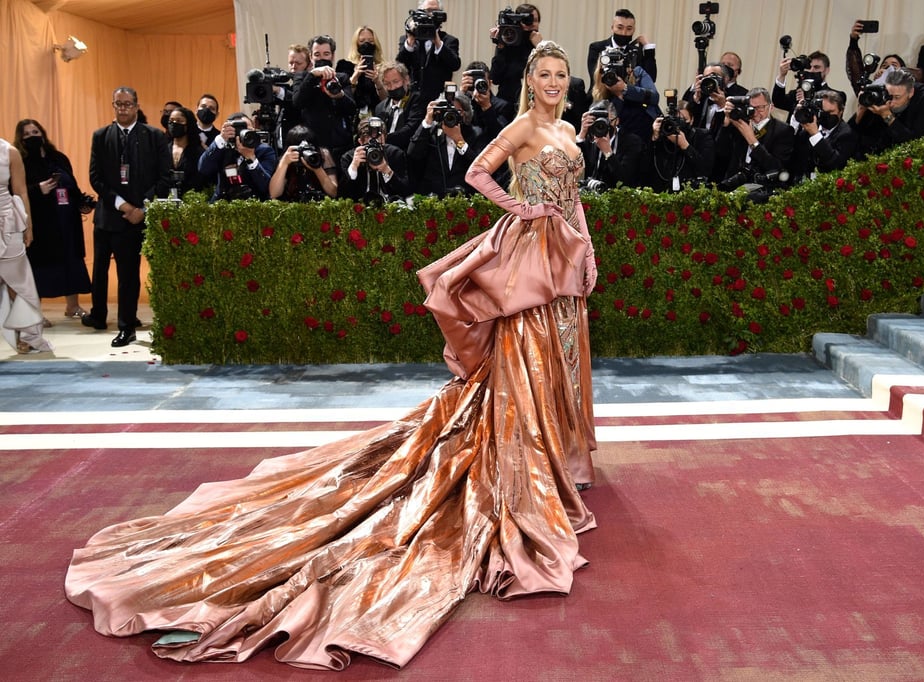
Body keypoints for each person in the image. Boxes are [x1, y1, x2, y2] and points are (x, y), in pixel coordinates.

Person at [65, 39, 596, 673]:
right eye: (544, 74)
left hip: (563, 260)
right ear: (529, 80)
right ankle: (529, 457)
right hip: (527, 261)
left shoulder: (567, 127)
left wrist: (586, 247)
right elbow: (477, 173)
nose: (554, 83)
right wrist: (521, 209)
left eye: (562, 75)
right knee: (527, 361)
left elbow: (576, 200)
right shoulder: (520, 127)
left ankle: (559, 455)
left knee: (562, 356)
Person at [83, 87, 172, 348]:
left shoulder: (154, 136)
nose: (123, 108)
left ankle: (126, 326)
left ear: (136, 106)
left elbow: (165, 178)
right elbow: (95, 178)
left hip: (137, 218)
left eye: (127, 104)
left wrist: (141, 208)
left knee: (128, 274)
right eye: (118, 104)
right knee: (99, 270)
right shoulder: (101, 136)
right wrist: (124, 206)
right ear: (113, 105)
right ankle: (98, 316)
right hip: (109, 216)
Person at [14, 119, 92, 322]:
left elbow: (71, 186)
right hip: (41, 221)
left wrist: (82, 202)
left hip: (67, 219)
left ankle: (72, 306)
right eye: (27, 134)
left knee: (71, 260)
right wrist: (38, 190)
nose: (33, 136)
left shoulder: (58, 158)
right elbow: (13, 193)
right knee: (40, 267)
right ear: (21, 139)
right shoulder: (20, 162)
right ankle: (35, 313)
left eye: (36, 131)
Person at [0, 137, 53, 354]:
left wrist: (28, 226)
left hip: (7, 224)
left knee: (18, 283)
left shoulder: (9, 152)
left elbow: (21, 192)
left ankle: (30, 336)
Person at [850, 68, 924, 158]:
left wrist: (887, 116)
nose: (891, 102)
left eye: (897, 97)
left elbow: (915, 142)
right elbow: (849, 136)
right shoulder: (881, 93)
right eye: (889, 96)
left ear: (911, 92)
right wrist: (861, 109)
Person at [719, 87, 794, 196]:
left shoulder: (783, 130)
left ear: (771, 107)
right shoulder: (740, 122)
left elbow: (776, 167)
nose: (755, 112)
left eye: (760, 108)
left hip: (763, 190)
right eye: (751, 108)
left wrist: (752, 140)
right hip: (733, 185)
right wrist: (727, 121)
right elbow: (721, 153)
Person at [293, 34, 359, 157]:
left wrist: (339, 95)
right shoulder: (302, 77)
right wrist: (312, 76)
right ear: (311, 57)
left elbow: (352, 109)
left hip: (340, 146)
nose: (322, 58)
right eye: (317, 55)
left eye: (326, 54)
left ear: (333, 56)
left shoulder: (341, 78)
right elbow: (297, 102)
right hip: (312, 146)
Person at [407, 90, 483, 196]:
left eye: (457, 111)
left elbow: (479, 167)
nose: (451, 115)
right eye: (447, 111)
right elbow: (413, 154)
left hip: (463, 198)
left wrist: (459, 141)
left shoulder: (475, 134)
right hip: (433, 199)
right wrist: (427, 121)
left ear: (466, 114)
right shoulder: (431, 132)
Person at [197, 113, 277, 202]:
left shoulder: (264, 150)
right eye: (239, 129)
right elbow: (203, 169)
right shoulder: (222, 148)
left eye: (248, 129)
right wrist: (221, 139)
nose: (244, 133)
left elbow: (265, 186)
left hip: (254, 204)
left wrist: (251, 158)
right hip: (223, 202)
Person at [396, 0, 461, 109]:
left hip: (438, 100)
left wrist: (438, 42)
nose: (431, 15)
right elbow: (399, 66)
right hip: (413, 100)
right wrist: (411, 38)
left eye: (435, 11)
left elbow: (455, 65)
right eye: (428, 11)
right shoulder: (406, 39)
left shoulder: (449, 40)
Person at [590, 45, 660, 141]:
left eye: (617, 65)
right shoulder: (602, 85)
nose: (613, 71)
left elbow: (654, 97)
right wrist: (617, 95)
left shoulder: (637, 74)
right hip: (618, 142)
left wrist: (626, 89)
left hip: (644, 134)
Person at [336, 116, 411, 202]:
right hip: (359, 209)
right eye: (369, 144)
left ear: (385, 139)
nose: (374, 148)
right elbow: (341, 197)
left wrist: (387, 170)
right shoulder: (349, 158)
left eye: (378, 144)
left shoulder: (395, 154)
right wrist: (353, 168)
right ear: (360, 142)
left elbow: (406, 192)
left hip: (389, 207)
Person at [645, 99, 714, 191]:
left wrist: (685, 146)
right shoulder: (664, 136)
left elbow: (705, 169)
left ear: (692, 119)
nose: (678, 125)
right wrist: (654, 137)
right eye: (675, 120)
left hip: (691, 192)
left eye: (683, 120)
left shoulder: (702, 136)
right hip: (663, 191)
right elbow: (645, 168)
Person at [576, 99, 644, 191]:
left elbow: (625, 181)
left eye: (606, 121)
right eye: (596, 122)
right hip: (591, 193)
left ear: (617, 121)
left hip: (618, 197)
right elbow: (573, 167)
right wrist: (581, 134)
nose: (602, 126)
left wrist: (608, 152)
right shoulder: (590, 138)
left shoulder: (632, 141)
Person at [789, 90, 857, 182]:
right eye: (823, 112)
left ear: (841, 111)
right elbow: (792, 154)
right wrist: (795, 122)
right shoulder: (808, 129)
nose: (826, 116)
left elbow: (835, 164)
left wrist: (815, 135)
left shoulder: (847, 134)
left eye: (831, 112)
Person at [586, 8, 657, 91]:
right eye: (620, 28)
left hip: (628, 101)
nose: (624, 33)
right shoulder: (597, 48)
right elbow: (595, 77)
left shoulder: (636, 52)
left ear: (634, 30)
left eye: (629, 29)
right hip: (599, 98)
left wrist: (648, 47)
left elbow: (650, 79)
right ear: (612, 28)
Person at [488, 2, 542, 103]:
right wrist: (501, 46)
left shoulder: (539, 46)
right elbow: (495, 78)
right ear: (518, 21)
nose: (532, 24)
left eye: (535, 20)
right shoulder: (508, 44)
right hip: (507, 103)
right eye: (527, 20)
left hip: (532, 101)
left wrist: (540, 46)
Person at [268, 125, 338, 201]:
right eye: (301, 149)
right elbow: (274, 194)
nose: (304, 152)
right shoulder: (286, 160)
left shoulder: (323, 155)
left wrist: (317, 168)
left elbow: (333, 192)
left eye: (308, 147)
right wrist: (284, 163)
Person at [458, 61, 515, 146]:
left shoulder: (503, 106)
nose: (477, 85)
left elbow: (501, 138)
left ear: (490, 83)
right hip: (465, 154)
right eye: (473, 82)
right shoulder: (463, 105)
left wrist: (487, 107)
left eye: (481, 82)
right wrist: (461, 94)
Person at [373, 61, 426, 151]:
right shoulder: (380, 107)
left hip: (408, 154)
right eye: (387, 84)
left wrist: (385, 138)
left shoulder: (417, 100)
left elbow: (411, 129)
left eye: (396, 81)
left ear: (406, 80)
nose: (393, 87)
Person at [339, 26, 388, 120]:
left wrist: (377, 82)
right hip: (352, 118)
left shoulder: (384, 67)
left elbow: (386, 101)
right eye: (362, 41)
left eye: (370, 41)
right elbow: (343, 97)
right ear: (356, 44)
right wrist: (355, 76)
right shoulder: (345, 67)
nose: (366, 44)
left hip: (378, 118)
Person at [772, 51, 834, 119]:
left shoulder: (834, 96)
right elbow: (778, 102)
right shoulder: (798, 92)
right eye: (809, 67)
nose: (812, 70)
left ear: (827, 70)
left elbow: (828, 119)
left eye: (816, 67)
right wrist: (782, 75)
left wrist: (807, 100)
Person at [165, 107, 209, 197]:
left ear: (188, 124)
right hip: (166, 201)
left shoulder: (198, 152)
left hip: (191, 202)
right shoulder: (163, 150)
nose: (174, 123)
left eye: (179, 120)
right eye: (171, 120)